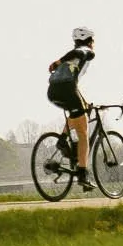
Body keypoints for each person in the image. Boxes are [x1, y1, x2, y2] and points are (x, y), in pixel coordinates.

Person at [45, 28, 98, 186]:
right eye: (93, 41)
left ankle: (62, 140)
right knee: (83, 133)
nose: (94, 44)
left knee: (77, 114)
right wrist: (58, 62)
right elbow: (79, 53)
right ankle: (83, 173)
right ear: (88, 40)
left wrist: (85, 102)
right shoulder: (86, 51)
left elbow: (74, 85)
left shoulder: (72, 61)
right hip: (66, 90)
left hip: (54, 91)